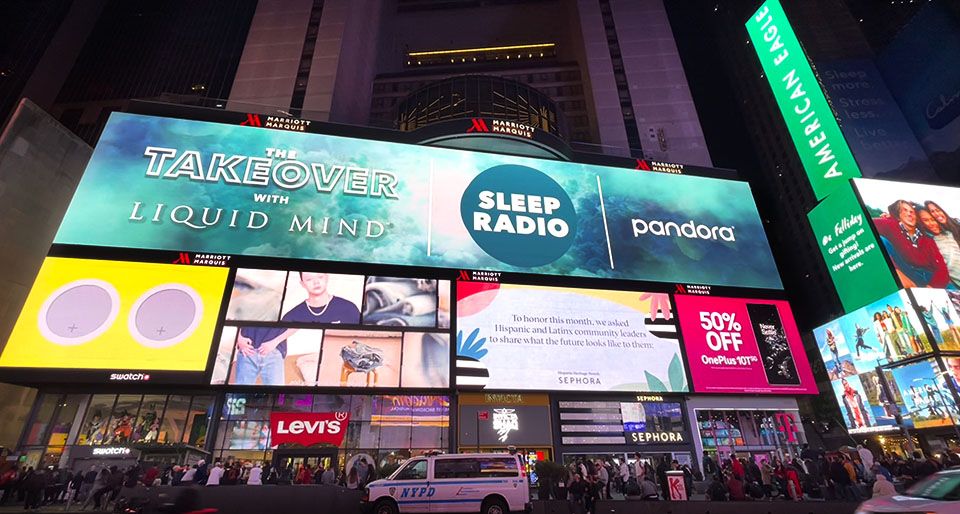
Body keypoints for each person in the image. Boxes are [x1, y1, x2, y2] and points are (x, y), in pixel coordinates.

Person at [874, 199, 950, 288]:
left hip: (928, 277)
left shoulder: (928, 239)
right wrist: (895, 270)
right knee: (881, 240)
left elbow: (941, 268)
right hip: (907, 271)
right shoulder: (889, 225)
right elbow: (866, 229)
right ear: (898, 214)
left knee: (952, 291)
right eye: (905, 210)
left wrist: (931, 287)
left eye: (912, 212)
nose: (909, 214)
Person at [920, 206, 960, 286]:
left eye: (933, 219)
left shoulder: (949, 234)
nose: (932, 223)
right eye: (926, 220)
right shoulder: (928, 242)